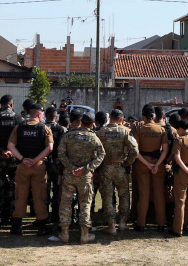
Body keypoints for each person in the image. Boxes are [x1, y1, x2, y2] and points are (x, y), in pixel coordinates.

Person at [57, 111, 105, 244]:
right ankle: (84, 234)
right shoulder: (93, 137)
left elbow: (61, 154)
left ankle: (64, 233)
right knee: (85, 204)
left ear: (81, 121)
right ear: (92, 124)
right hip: (85, 176)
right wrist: (86, 168)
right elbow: (101, 155)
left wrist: (71, 167)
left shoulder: (68, 136)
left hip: (69, 175)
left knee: (65, 203)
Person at [8, 102, 54, 236]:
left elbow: (10, 146)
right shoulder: (44, 128)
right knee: (39, 197)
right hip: (38, 166)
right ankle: (42, 226)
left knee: (20, 196)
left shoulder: (19, 127)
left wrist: (22, 159)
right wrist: (36, 160)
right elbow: (49, 148)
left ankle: (16, 227)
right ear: (40, 114)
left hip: (23, 166)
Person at [95, 109, 138, 234]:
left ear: (110, 118)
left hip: (105, 168)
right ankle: (123, 223)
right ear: (120, 119)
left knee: (107, 196)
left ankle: (111, 225)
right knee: (124, 194)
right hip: (120, 167)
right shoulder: (125, 132)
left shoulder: (101, 132)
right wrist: (128, 162)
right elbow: (135, 151)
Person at [132, 105, 168, 232]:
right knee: (159, 195)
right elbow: (165, 150)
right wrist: (157, 164)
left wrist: (147, 164)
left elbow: (135, 150)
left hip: (143, 164)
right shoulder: (161, 130)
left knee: (144, 194)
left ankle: (141, 224)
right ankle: (161, 224)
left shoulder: (139, 129)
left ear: (144, 117)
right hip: (158, 163)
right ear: (154, 116)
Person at [0, 95, 23, 227]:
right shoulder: (18, 118)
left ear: (1, 104)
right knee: (12, 188)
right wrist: (12, 151)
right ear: (11, 104)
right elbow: (21, 139)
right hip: (13, 158)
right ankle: (8, 218)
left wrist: (2, 151)